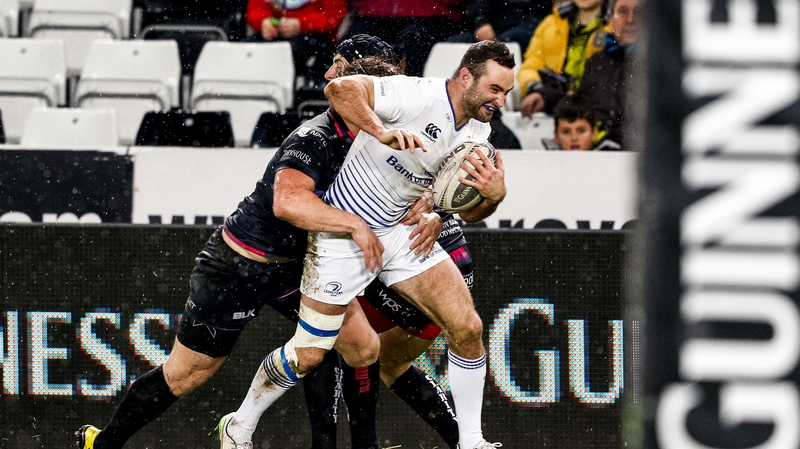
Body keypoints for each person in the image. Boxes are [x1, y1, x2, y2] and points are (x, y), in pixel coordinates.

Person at [74, 35, 439, 449]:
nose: (326, 74)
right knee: (187, 373)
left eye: (337, 65)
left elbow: (425, 177)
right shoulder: (315, 137)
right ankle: (104, 443)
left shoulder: (383, 137)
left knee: (360, 345)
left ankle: (358, 444)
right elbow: (287, 202)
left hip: (297, 265)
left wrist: (433, 206)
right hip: (238, 265)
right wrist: (355, 225)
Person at [218, 40, 514, 449]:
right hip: (343, 234)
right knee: (309, 354)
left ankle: (471, 442)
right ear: (466, 77)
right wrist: (382, 131)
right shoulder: (417, 93)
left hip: (398, 233)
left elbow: (466, 209)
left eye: (506, 92)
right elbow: (338, 91)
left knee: (467, 327)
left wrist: (492, 197)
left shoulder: (479, 131)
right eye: (495, 89)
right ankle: (240, 423)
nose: (500, 100)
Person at [517, 0, 613, 118]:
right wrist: (539, 90)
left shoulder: (617, 25)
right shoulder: (550, 24)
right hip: (552, 109)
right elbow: (529, 67)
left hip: (597, 113)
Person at [340, 0, 468, 77]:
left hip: (433, 14)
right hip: (375, 11)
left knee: (414, 38)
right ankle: (352, 95)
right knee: (353, 41)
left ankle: (412, 95)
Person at [579, 0, 639, 149]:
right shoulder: (596, 63)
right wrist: (544, 96)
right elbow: (578, 104)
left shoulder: (655, 67)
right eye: (623, 12)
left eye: (638, 13)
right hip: (597, 155)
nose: (630, 20)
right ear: (611, 19)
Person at [245, 0, 348, 86]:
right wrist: (264, 21)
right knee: (250, 50)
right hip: (274, 36)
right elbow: (255, 9)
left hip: (313, 38)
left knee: (296, 52)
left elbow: (333, 15)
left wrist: (302, 24)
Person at [447, 0, 551, 54]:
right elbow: (477, 6)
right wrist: (481, 22)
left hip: (528, 27)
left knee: (511, 40)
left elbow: (543, 12)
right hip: (495, 27)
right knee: (453, 44)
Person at [551, 93, 620, 151]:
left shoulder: (611, 157)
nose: (574, 138)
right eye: (566, 132)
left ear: (594, 133)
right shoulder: (546, 162)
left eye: (581, 131)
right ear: (556, 136)